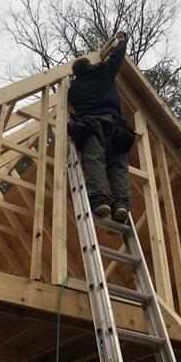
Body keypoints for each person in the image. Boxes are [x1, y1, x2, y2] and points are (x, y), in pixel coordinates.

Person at [68, 31, 132, 223]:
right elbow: (118, 56)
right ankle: (121, 204)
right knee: (118, 165)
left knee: (94, 161)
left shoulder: (74, 89)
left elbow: (69, 108)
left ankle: (100, 201)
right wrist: (121, 40)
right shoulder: (103, 72)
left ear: (76, 74)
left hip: (90, 126)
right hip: (113, 125)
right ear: (90, 65)